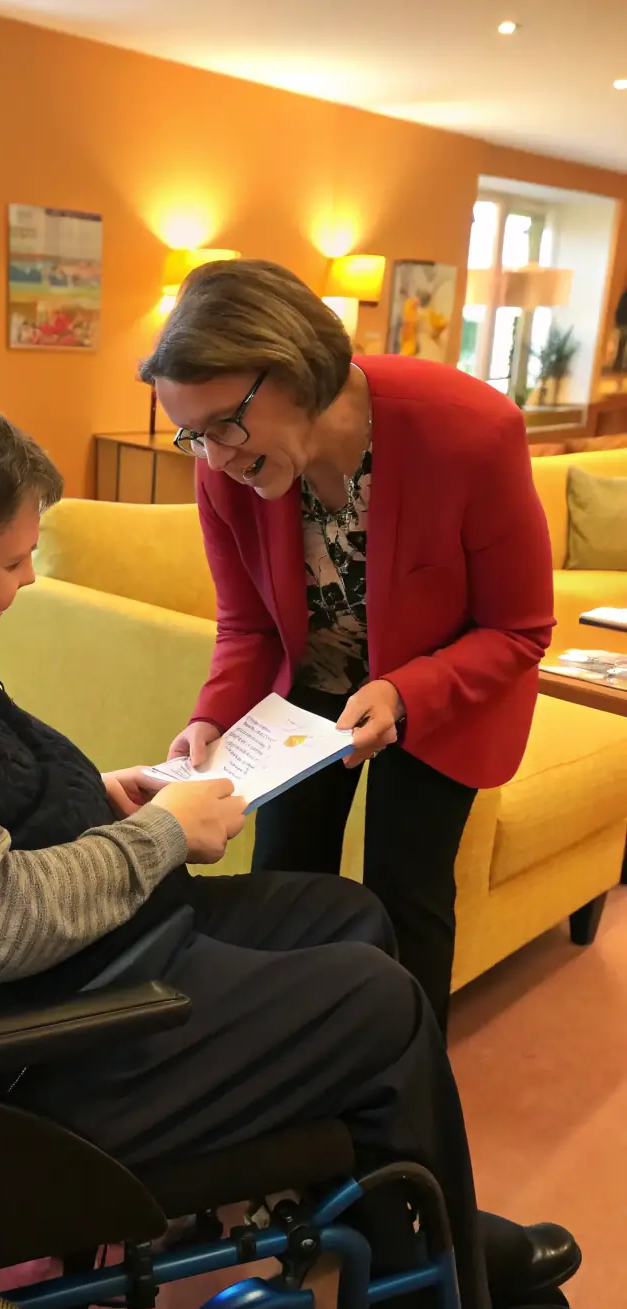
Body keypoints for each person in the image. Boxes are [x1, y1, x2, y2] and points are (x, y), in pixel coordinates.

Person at [0, 376, 603, 1309]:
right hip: (28, 1050)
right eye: (16, 560)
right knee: (381, 1003)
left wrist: (95, 799)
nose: (29, 580)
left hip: (66, 964)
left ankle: (413, 1226)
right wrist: (162, 836)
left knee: (348, 914)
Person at [140, 258, 554, 1039]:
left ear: (295, 372)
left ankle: (408, 1081)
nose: (214, 458)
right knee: (283, 875)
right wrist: (212, 719)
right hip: (314, 688)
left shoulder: (470, 431)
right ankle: (293, 1054)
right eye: (192, 435)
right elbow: (248, 625)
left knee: (406, 890)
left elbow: (520, 627)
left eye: (224, 425)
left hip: (440, 693)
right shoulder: (228, 467)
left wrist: (405, 692)